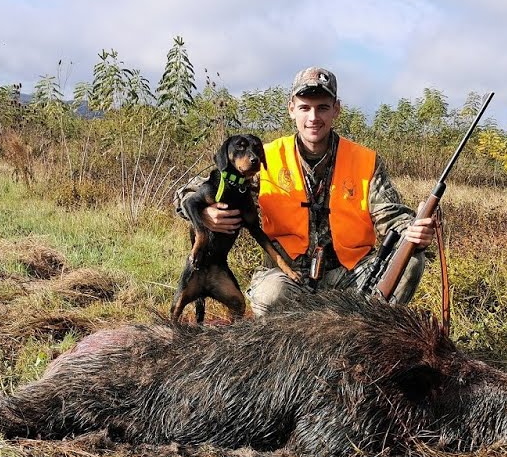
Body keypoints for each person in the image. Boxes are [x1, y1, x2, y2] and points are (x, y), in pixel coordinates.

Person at [182, 66, 435, 317]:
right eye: (305, 107)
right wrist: (204, 213)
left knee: (411, 258)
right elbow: (194, 190)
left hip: (350, 275)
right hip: (289, 275)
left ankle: (365, 333)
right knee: (271, 294)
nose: (313, 117)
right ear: (291, 109)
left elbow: (391, 214)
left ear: (336, 109)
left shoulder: (364, 160)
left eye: (322, 107)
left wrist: (412, 230)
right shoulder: (262, 158)